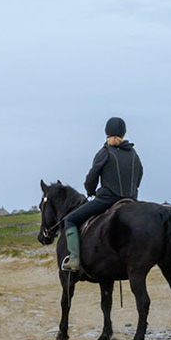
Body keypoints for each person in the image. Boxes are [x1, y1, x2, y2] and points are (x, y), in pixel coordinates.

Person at [63, 117, 144, 273]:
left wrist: (90, 191)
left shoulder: (105, 152)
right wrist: (132, 191)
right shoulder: (134, 154)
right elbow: (140, 174)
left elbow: (92, 176)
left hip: (107, 200)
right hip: (131, 201)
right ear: (124, 133)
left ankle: (74, 259)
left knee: (70, 219)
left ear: (106, 133)